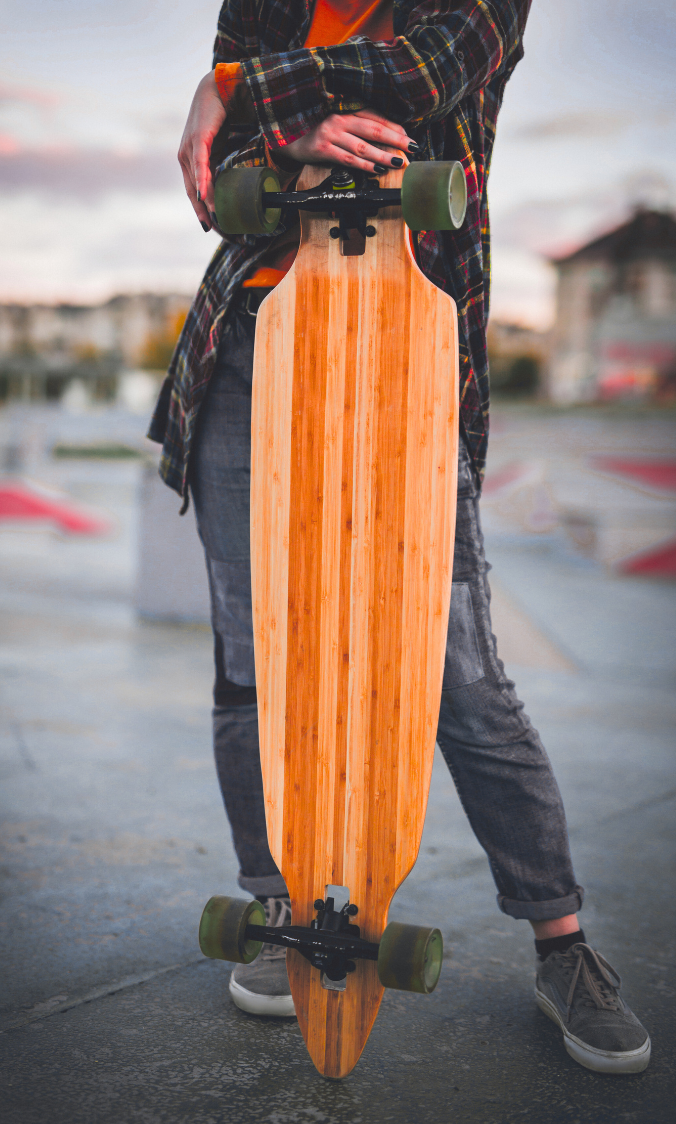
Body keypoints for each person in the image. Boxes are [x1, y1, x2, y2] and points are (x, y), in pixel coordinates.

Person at [148, 0, 650, 1074]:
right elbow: (214, 182)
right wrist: (271, 124)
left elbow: (416, 76)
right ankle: (278, 901)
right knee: (253, 656)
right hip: (253, 346)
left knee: (458, 670)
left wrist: (243, 93)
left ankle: (560, 941)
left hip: (408, 345)